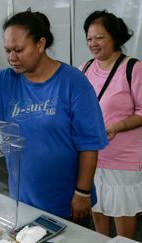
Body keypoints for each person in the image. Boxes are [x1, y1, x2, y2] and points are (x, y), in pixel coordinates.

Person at [0, 10, 108, 225]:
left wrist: (82, 193)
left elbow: (89, 144)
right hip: (22, 200)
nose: (12, 57)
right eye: (7, 50)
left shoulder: (73, 82)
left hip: (66, 200)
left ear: (41, 44)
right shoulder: (4, 81)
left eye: (19, 50)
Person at [80, 10, 142, 239]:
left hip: (122, 158)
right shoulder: (84, 68)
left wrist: (118, 126)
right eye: (89, 38)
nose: (93, 43)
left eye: (99, 37)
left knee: (123, 213)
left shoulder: (133, 68)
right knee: (98, 207)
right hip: (92, 155)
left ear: (114, 37)